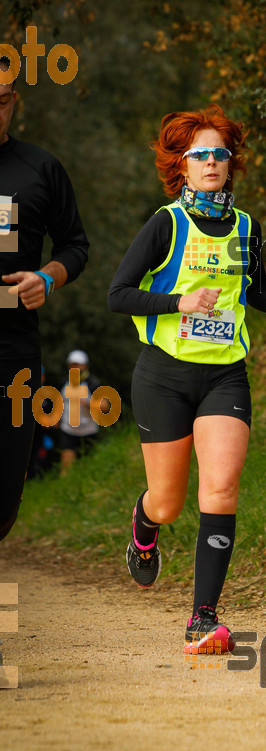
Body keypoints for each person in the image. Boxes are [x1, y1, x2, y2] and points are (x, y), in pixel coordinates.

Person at [108, 104, 266, 655]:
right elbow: (117, 294)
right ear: (183, 167)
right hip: (164, 376)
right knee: (168, 503)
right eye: (201, 154)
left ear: (230, 163)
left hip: (225, 377)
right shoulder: (165, 223)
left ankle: (203, 618)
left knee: (220, 487)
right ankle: (145, 527)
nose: (213, 161)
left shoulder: (246, 227)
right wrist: (178, 301)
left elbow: (253, 290)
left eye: (220, 152)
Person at [0, 56, 89, 541]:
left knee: (5, 496)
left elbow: (76, 246)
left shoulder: (40, 168)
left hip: (13, 355)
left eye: (1, 101)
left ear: (14, 101)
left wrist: (47, 278)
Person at [58, 350, 105, 475]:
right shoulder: (64, 382)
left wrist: (89, 403)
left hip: (89, 432)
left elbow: (105, 406)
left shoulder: (92, 383)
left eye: (78, 364)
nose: (75, 367)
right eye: (72, 364)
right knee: (66, 469)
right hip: (68, 431)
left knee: (88, 469)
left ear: (85, 366)